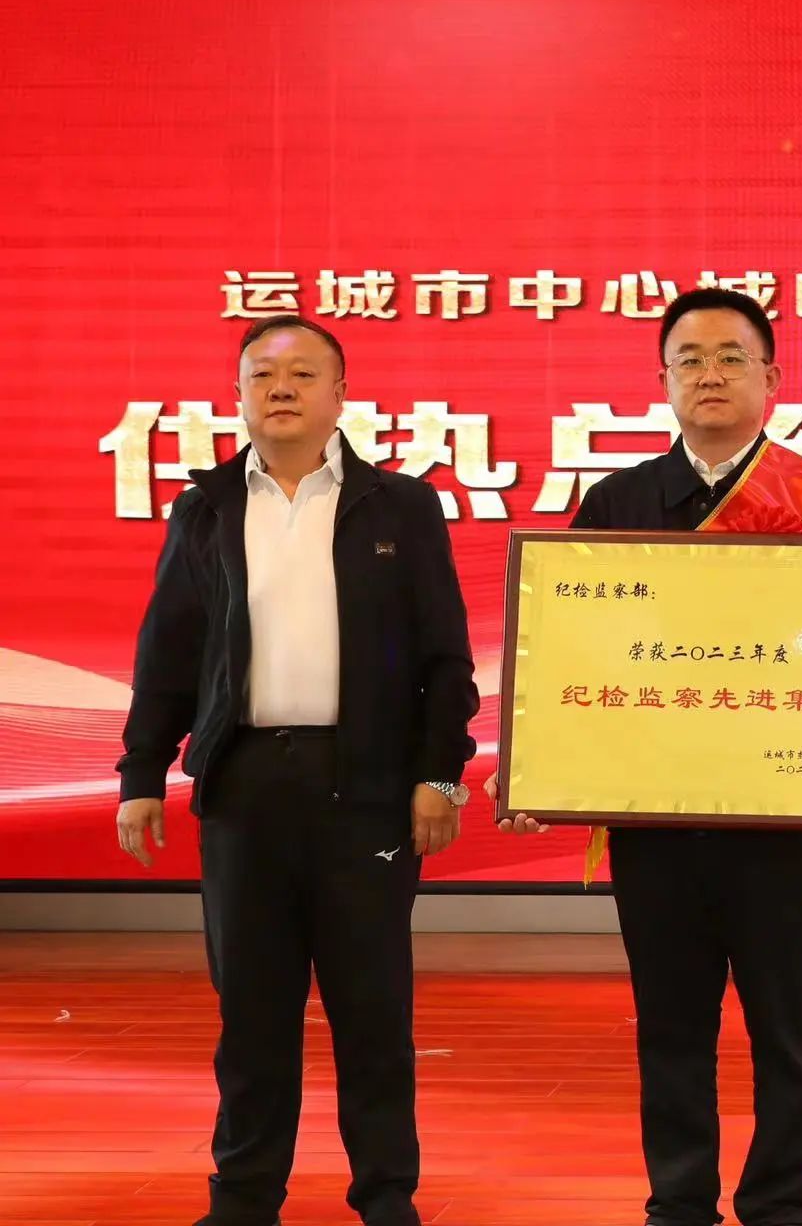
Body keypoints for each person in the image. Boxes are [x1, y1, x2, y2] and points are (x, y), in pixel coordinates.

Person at [490, 287, 802, 1226]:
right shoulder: (617, 501)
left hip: (780, 820)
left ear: (772, 378)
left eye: (732, 357)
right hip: (657, 823)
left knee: (787, 1030)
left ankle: (781, 1202)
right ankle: (678, 1200)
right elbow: (573, 654)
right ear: (663, 381)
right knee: (671, 1027)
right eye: (690, 359)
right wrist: (536, 763)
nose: (710, 374)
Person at [115, 315, 480, 1226]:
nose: (281, 387)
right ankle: (243, 1198)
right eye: (262, 374)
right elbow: (169, 651)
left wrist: (441, 777)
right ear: (239, 394)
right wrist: (141, 773)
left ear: (340, 395)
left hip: (369, 795)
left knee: (373, 1012)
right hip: (245, 791)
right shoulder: (205, 508)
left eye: (303, 373)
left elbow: (445, 658)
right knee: (252, 1014)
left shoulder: (400, 507)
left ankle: (386, 1196)